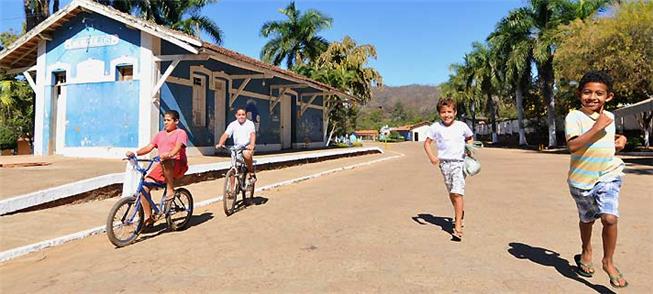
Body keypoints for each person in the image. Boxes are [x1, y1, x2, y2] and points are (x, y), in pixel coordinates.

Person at [565, 71, 628, 288]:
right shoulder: (574, 116)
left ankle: (608, 261)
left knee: (610, 218)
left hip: (608, 175)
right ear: (579, 94)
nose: (593, 97)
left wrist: (619, 141)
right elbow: (573, 145)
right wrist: (598, 126)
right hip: (581, 181)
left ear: (608, 96)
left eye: (599, 93)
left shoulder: (609, 117)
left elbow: (606, 141)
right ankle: (586, 250)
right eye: (587, 92)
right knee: (587, 220)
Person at [126, 110, 189, 226]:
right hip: (163, 165)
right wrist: (134, 153)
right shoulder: (160, 134)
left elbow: (178, 147)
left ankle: (170, 189)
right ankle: (149, 217)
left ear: (176, 121)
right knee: (144, 187)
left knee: (166, 160)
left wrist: (170, 154)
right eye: (164, 120)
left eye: (168, 120)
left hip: (177, 164)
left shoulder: (180, 133)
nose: (165, 122)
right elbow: (149, 147)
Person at [423, 98, 473, 241]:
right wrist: (432, 157)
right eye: (443, 112)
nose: (447, 115)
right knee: (452, 193)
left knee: (457, 193)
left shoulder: (461, 126)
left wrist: (468, 150)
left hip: (459, 163)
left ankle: (457, 226)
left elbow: (469, 137)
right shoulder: (435, 127)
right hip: (444, 165)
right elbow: (427, 143)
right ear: (439, 113)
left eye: (450, 112)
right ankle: (459, 213)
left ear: (455, 112)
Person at [216, 107, 256, 181]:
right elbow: (226, 134)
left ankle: (251, 172)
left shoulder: (250, 124)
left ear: (246, 115)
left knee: (246, 154)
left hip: (247, 147)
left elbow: (252, 135)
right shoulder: (233, 124)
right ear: (236, 115)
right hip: (236, 147)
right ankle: (232, 191)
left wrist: (252, 145)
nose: (241, 116)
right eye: (239, 114)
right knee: (233, 168)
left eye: (243, 114)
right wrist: (220, 143)